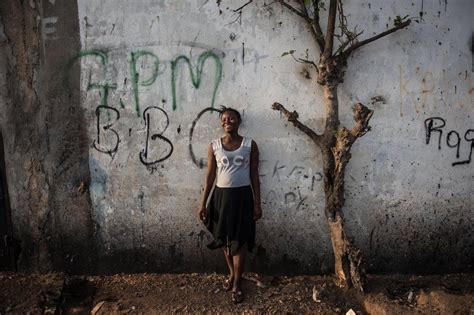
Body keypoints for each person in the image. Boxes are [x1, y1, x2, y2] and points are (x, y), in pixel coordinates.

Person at [198, 107, 262, 304]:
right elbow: (209, 176)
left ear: (239, 121)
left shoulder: (250, 145)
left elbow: (254, 176)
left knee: (240, 240)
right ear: (221, 123)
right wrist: (203, 203)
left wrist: (257, 203)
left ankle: (237, 284)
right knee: (225, 239)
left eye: (232, 118)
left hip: (243, 197)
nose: (228, 121)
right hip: (221, 197)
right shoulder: (214, 145)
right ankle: (233, 274)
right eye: (224, 119)